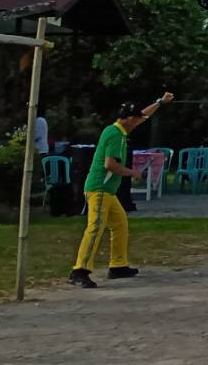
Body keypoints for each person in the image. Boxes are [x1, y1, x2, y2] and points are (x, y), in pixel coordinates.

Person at [68, 93, 172, 289]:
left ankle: (118, 265)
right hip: (99, 189)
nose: (137, 123)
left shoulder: (119, 130)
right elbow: (110, 165)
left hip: (107, 191)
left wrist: (159, 102)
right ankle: (79, 270)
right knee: (95, 227)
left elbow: (143, 116)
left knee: (120, 224)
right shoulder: (115, 134)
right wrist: (133, 173)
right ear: (129, 119)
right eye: (135, 120)